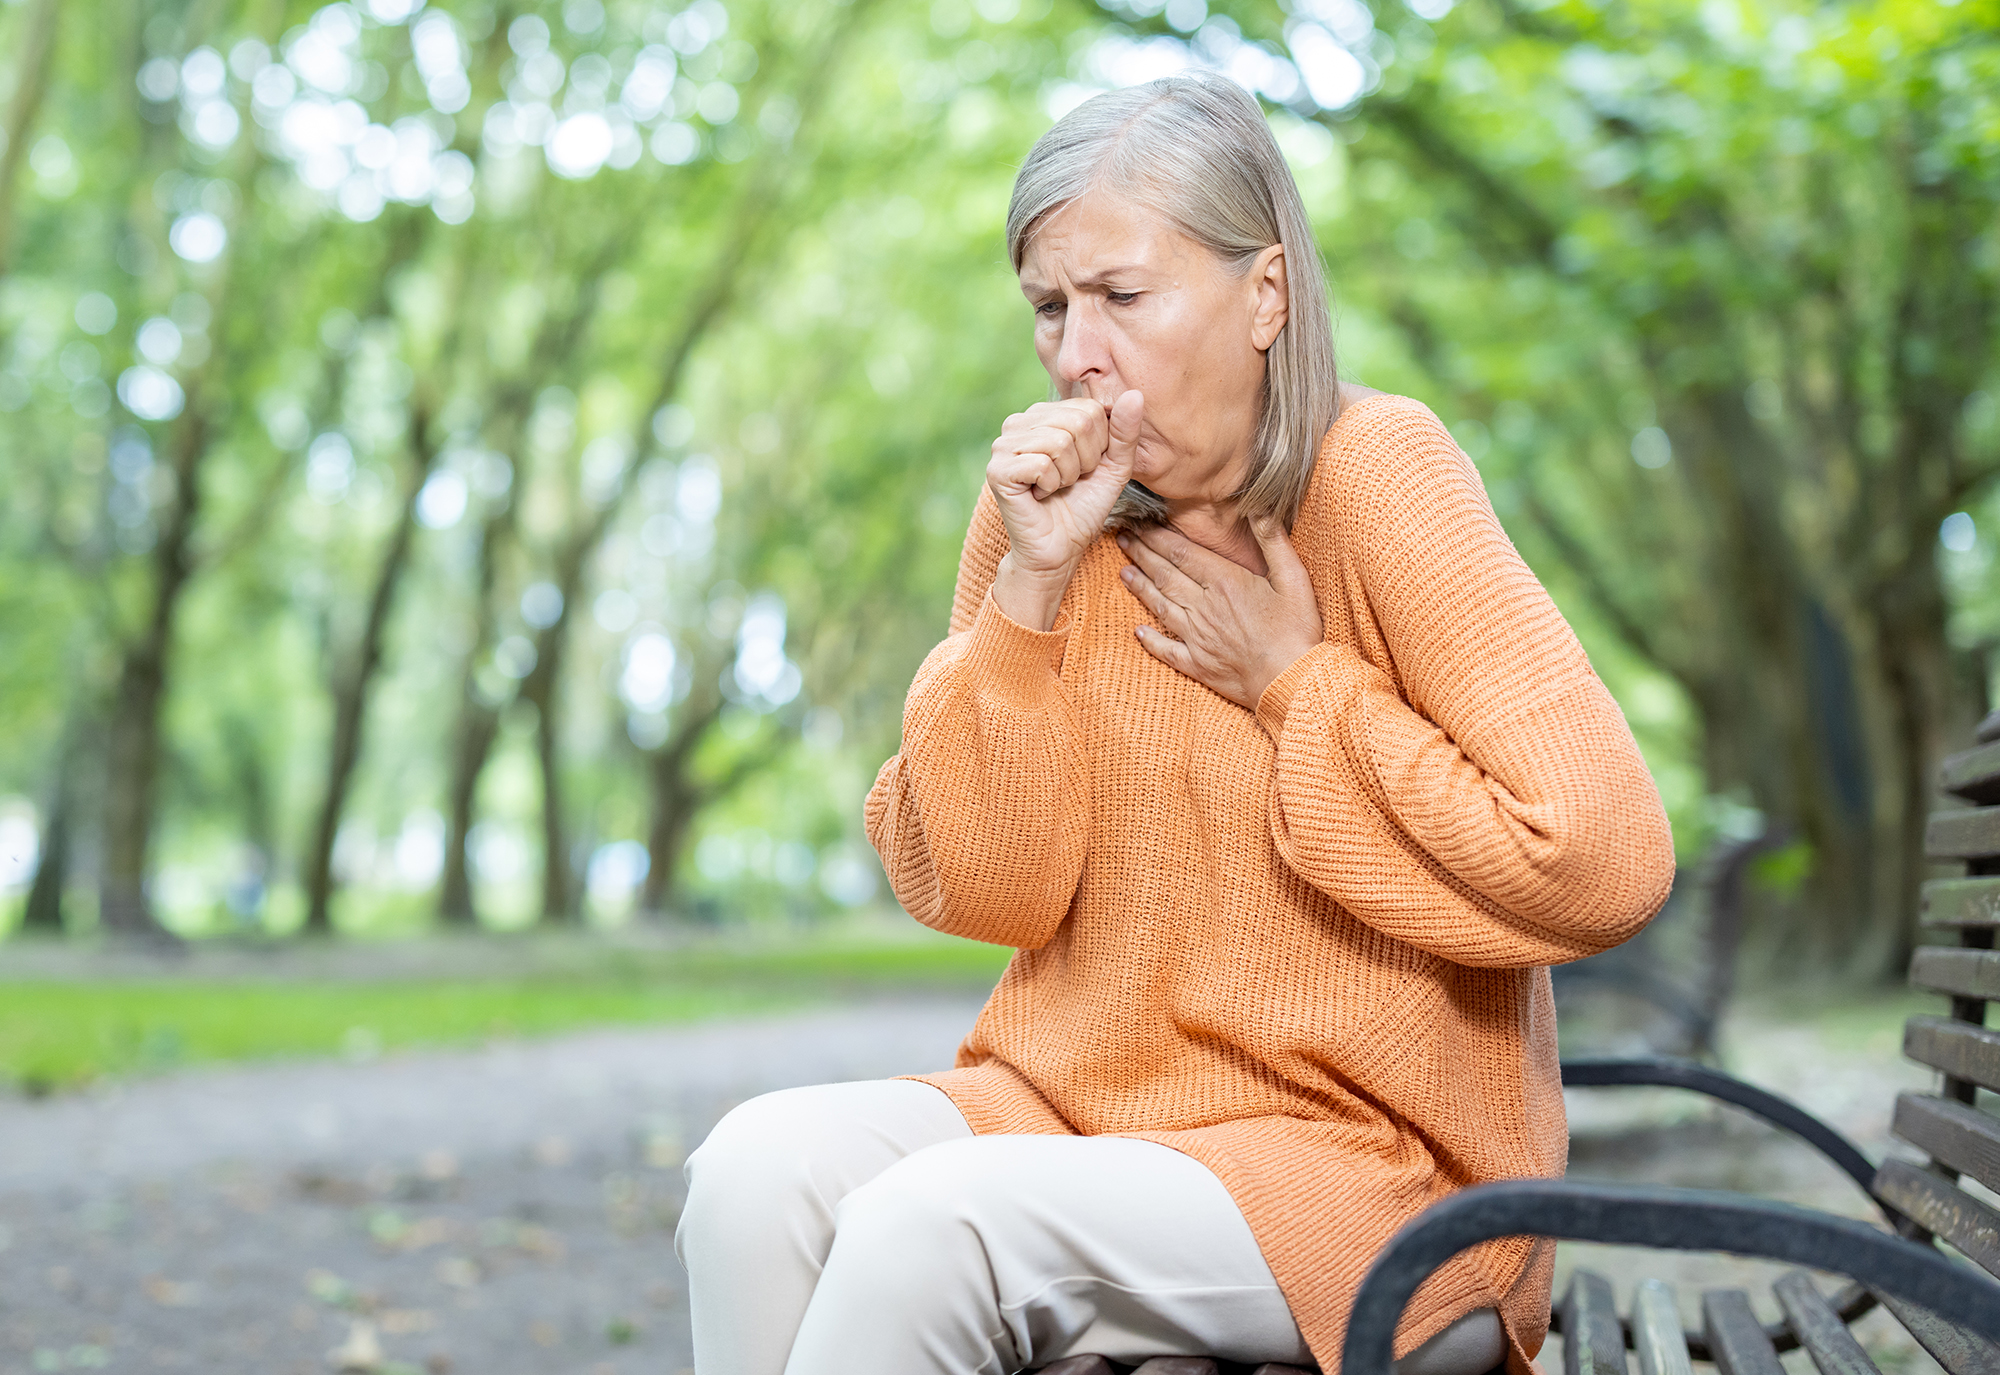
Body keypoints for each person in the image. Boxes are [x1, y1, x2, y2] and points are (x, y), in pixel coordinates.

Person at [675, 73, 1675, 1375]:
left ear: (1265, 295)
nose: (1076, 350)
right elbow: (986, 889)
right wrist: (1027, 593)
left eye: (1121, 297)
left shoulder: (1379, 474)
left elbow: (1602, 857)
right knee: (752, 1173)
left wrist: (1298, 687)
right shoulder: (1043, 516)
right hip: (1078, 1112)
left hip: (1367, 1164)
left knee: (936, 1230)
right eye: (1049, 306)